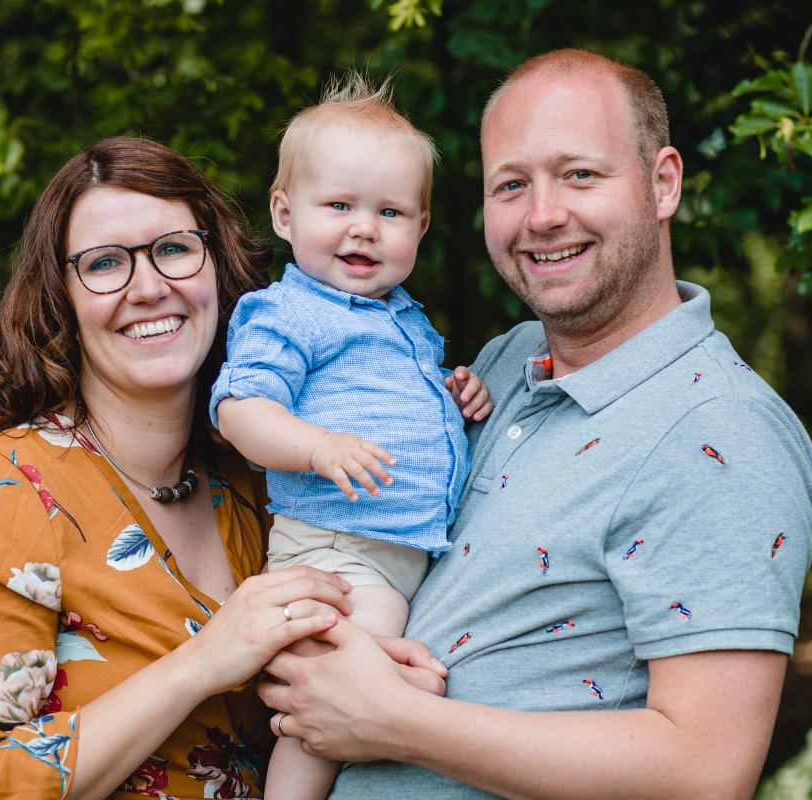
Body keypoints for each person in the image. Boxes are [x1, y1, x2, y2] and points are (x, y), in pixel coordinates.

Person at [258, 49, 812, 799]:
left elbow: (705, 772)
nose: (543, 214)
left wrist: (389, 719)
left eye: (580, 174)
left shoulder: (722, 430)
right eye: (512, 185)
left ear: (664, 183)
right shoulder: (503, 364)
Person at [0, 136, 445, 800]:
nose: (149, 287)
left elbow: (325, 693)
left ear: (216, 264)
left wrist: (382, 684)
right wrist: (201, 664)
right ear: (60, 294)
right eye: (104, 264)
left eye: (174, 249)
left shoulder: (267, 479)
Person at [210, 75, 491, 799]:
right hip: (336, 549)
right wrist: (315, 446)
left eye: (391, 211)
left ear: (421, 228)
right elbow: (240, 409)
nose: (364, 227)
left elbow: (408, 408)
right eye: (338, 206)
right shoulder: (288, 312)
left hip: (399, 554)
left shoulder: (405, 320)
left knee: (383, 688)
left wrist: (459, 396)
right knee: (330, 697)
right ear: (284, 212)